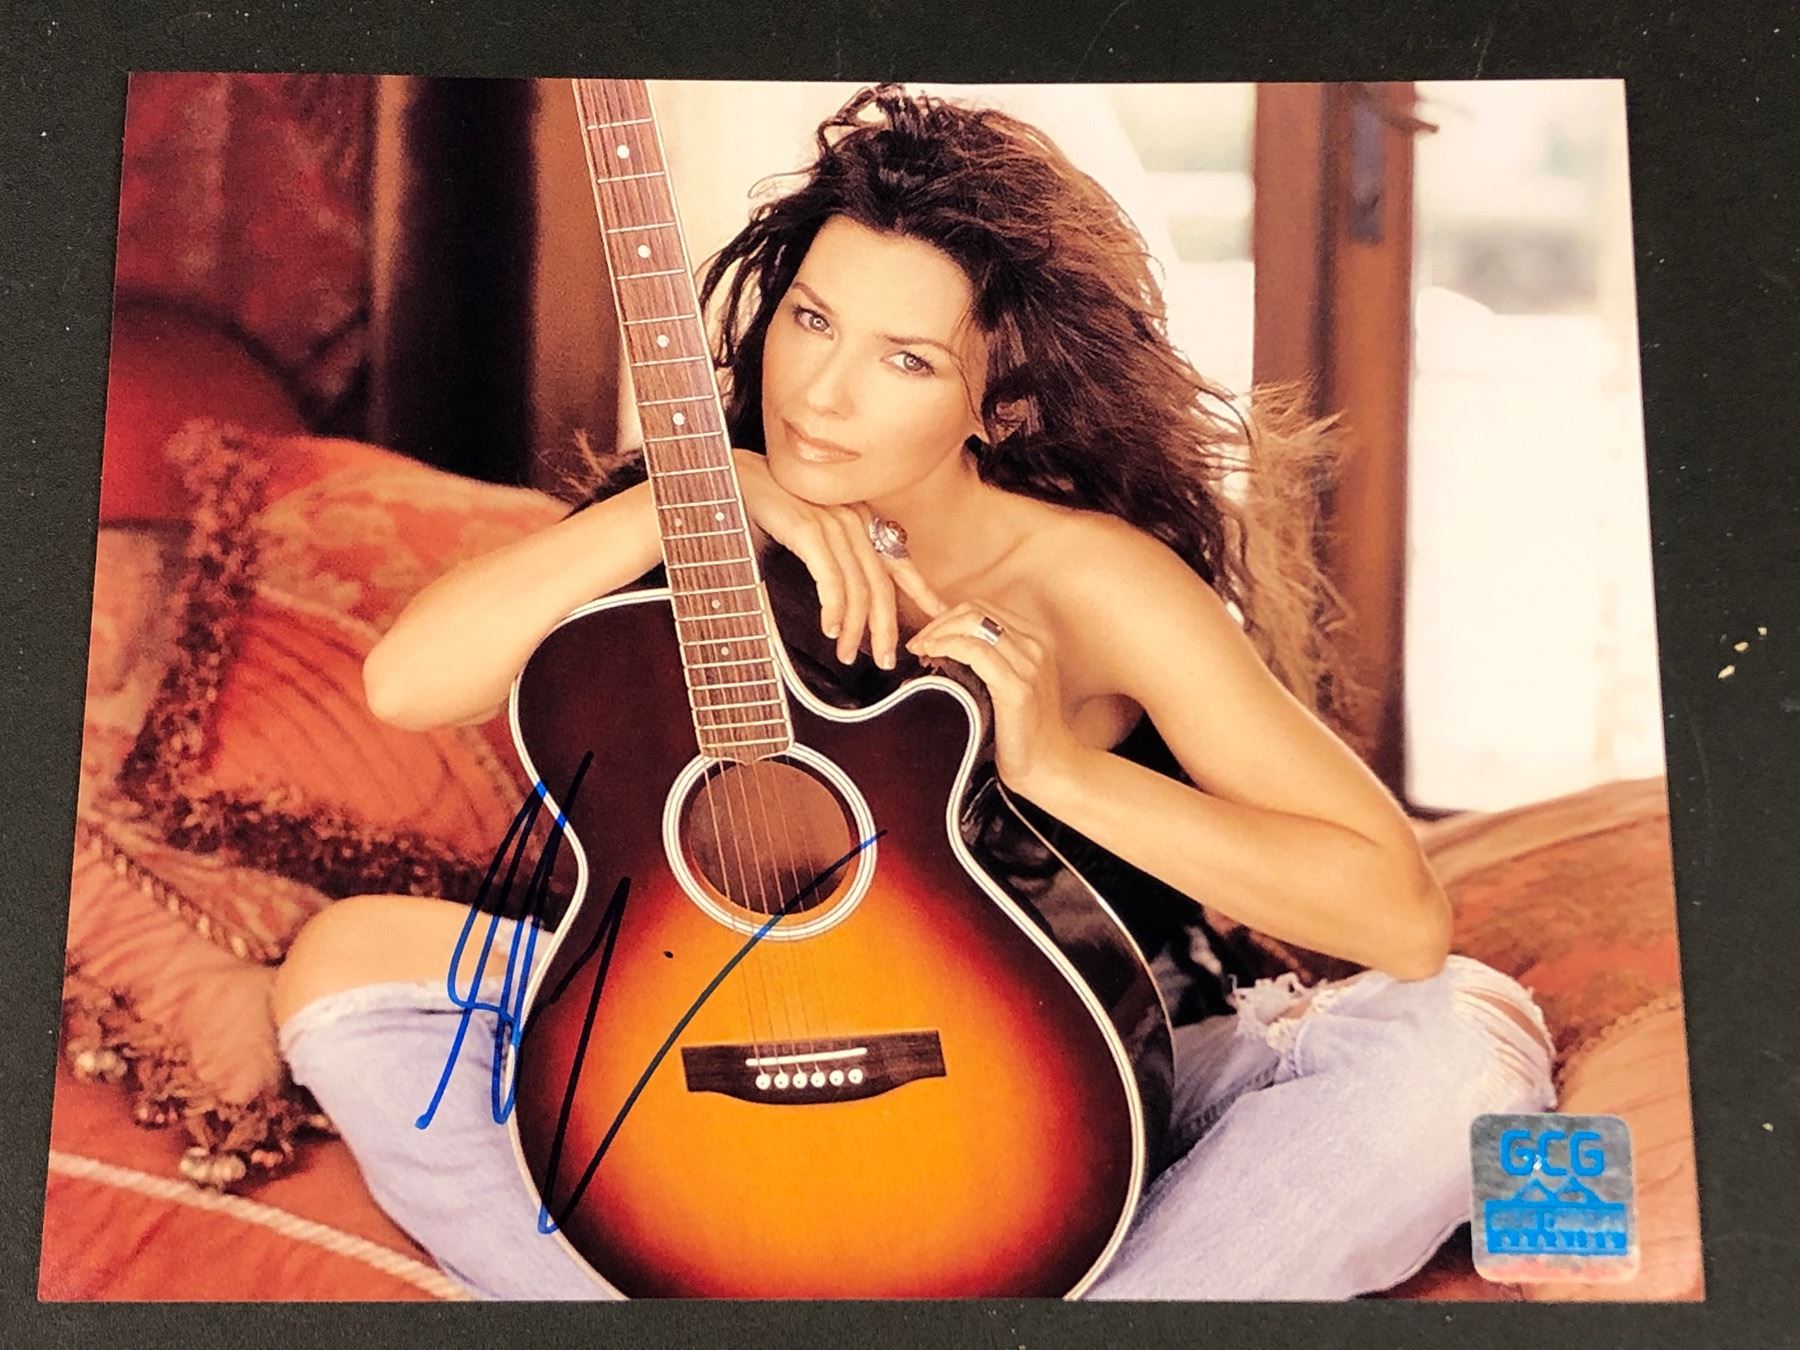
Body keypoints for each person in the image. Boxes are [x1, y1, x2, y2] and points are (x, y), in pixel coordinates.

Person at [272, 82, 1556, 1300]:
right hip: (698, 1046)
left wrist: (1055, 764)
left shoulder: (1091, 580)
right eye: (812, 321)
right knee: (346, 959)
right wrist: (695, 491)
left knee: (1461, 1039)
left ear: (1006, 404)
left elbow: (1398, 918)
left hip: (1052, 1087)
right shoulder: (696, 523)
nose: (821, 396)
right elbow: (406, 685)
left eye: (908, 361)